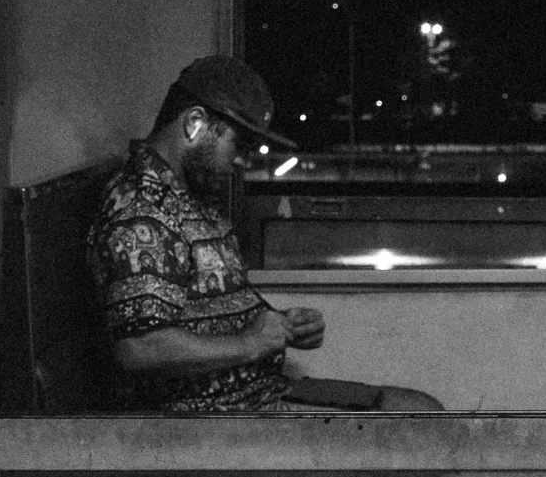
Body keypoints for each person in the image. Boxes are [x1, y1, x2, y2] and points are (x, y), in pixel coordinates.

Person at [86, 55, 444, 415]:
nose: (242, 161)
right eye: (238, 144)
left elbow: (212, 309)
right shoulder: (141, 211)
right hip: (215, 419)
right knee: (422, 424)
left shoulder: (193, 199)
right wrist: (252, 343)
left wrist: (281, 324)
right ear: (194, 123)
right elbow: (139, 348)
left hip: (260, 393)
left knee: (422, 410)